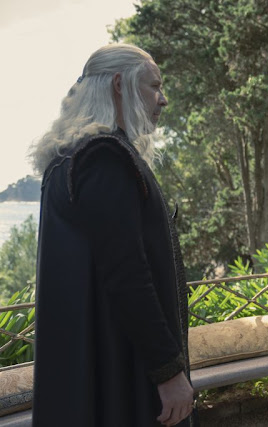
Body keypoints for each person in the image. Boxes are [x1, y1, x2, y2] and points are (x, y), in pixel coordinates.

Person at [30, 44, 196, 427]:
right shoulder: (104, 157)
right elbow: (127, 274)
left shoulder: (71, 157)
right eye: (154, 86)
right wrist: (168, 372)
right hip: (121, 373)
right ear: (120, 85)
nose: (163, 99)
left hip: (97, 366)